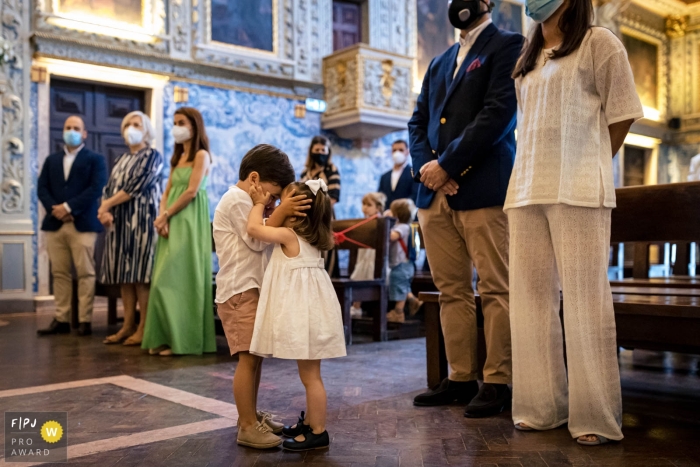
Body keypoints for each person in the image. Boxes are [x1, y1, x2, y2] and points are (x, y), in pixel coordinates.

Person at [506, 0, 643, 446]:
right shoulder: (526, 60)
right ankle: (541, 407)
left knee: (585, 302)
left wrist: (591, 161)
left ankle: (594, 416)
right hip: (526, 185)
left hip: (579, 187)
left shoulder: (598, 43)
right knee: (529, 302)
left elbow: (622, 113)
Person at [408, 0, 523, 417]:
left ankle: (498, 379)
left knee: (495, 287)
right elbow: (417, 122)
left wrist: (448, 165)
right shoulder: (439, 61)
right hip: (434, 194)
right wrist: (426, 169)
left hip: (482, 187)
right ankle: (460, 376)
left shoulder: (509, 44)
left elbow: (498, 115)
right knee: (451, 290)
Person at [213, 144, 310, 449]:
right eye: (274, 194)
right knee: (247, 360)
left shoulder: (246, 200)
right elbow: (256, 240)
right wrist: (278, 213)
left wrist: (270, 211)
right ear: (254, 179)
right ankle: (245, 426)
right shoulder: (236, 199)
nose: (274, 201)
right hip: (239, 290)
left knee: (254, 360)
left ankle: (251, 415)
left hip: (251, 288)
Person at [247, 179, 346, 452]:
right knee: (311, 375)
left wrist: (258, 203)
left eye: (284, 203)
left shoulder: (290, 237)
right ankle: (312, 423)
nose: (279, 206)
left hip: (306, 317)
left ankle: (318, 432)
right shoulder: (310, 240)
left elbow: (254, 229)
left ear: (296, 211)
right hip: (314, 314)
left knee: (311, 378)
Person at [141, 107, 215, 356]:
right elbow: (167, 190)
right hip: (171, 219)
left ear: (194, 126)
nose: (176, 127)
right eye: (174, 122)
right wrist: (162, 217)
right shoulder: (177, 157)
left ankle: (183, 341)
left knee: (181, 280)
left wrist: (167, 215)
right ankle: (165, 337)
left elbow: (191, 191)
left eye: (181, 122)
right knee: (162, 279)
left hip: (188, 220)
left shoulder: (202, 155)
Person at [37, 116, 107, 336]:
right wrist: (55, 209)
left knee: (86, 273)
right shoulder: (52, 160)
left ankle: (85, 320)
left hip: (83, 224)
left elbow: (96, 188)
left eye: (76, 128)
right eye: (68, 128)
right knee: (60, 273)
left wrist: (68, 207)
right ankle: (62, 318)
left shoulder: (95, 159)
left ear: (84, 133)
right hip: (54, 224)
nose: (72, 131)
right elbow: (42, 188)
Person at [99, 111, 163, 345]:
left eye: (136, 124)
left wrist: (106, 204)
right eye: (127, 124)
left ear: (146, 130)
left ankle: (144, 328)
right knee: (125, 277)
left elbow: (136, 186)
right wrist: (104, 211)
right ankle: (127, 326)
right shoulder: (121, 159)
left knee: (140, 276)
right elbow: (110, 188)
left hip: (142, 223)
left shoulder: (152, 156)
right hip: (119, 224)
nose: (131, 128)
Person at [349, 192, 387, 318]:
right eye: (363, 204)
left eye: (369, 205)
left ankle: (358, 307)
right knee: (360, 275)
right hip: (364, 257)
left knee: (366, 274)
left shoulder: (380, 221)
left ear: (378, 207)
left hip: (374, 257)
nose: (365, 207)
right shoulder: (364, 221)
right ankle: (356, 306)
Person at [386, 198, 422, 324]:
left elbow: (391, 237)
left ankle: (398, 313)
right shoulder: (408, 226)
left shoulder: (401, 227)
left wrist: (385, 223)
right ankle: (413, 300)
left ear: (396, 214)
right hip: (407, 264)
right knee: (403, 286)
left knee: (398, 286)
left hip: (401, 264)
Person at [300, 136, 340, 206]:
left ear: (328, 152)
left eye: (323, 150)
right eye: (317, 150)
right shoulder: (305, 172)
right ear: (311, 151)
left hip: (323, 213)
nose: (320, 152)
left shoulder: (332, 170)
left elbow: (333, 198)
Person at [378, 140, 418, 207]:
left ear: (407, 152)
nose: (397, 153)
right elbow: (380, 197)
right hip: (387, 215)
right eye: (394, 150)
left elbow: (415, 195)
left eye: (401, 150)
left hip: (407, 214)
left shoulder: (414, 173)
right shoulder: (384, 176)